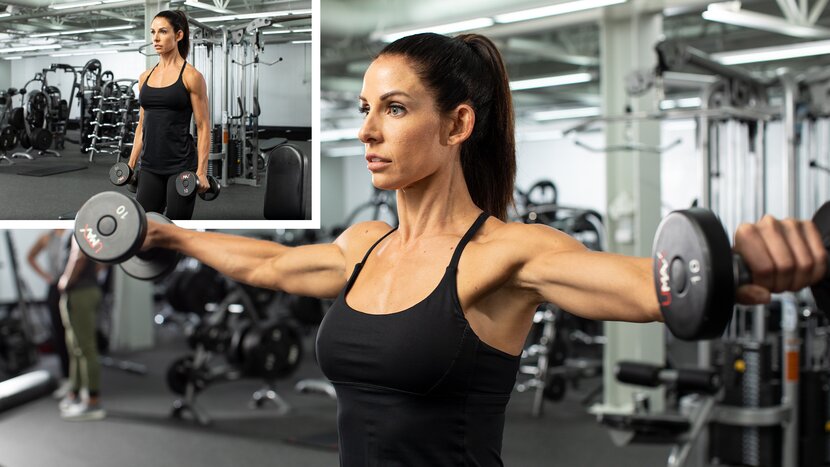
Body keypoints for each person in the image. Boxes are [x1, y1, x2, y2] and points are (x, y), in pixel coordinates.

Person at [134, 33, 824, 466]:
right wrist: (169, 233)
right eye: (364, 109)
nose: (368, 131)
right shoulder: (365, 246)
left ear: (457, 123)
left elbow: (654, 287)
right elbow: (273, 264)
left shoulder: (509, 254)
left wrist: (746, 262)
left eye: (395, 109)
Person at [127, 9, 210, 220]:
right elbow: (141, 125)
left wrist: (201, 171)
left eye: (162, 31)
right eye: (153, 32)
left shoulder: (192, 77)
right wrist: (131, 163)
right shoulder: (145, 77)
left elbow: (203, 126)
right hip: (150, 166)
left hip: (180, 166)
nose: (155, 38)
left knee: (176, 226)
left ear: (179, 35)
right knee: (144, 226)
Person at [57, 237, 105, 421]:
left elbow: (78, 256)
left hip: (79, 293)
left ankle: (93, 402)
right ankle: (74, 395)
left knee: (85, 348)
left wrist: (66, 280)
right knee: (75, 348)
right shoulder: (90, 230)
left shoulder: (80, 228)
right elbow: (103, 260)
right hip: (86, 290)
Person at [26, 229, 70, 396]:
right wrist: (46, 276)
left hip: (73, 286)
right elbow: (30, 257)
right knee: (59, 334)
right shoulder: (46, 237)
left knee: (75, 338)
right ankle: (67, 378)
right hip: (55, 288)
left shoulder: (75, 232)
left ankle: (80, 380)